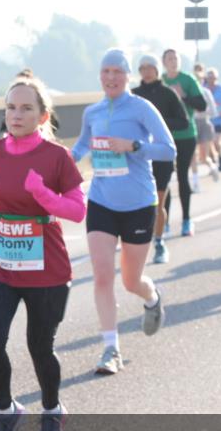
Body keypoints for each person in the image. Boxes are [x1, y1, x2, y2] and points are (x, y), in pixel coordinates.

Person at [0, 76, 84, 431]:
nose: (17, 114)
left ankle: (52, 409)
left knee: (39, 347)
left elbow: (78, 210)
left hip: (46, 267)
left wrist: (41, 193)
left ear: (42, 115)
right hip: (0, 263)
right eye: (11, 107)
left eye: (26, 108)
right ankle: (8, 410)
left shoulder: (56, 157)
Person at [71, 50, 176, 375]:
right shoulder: (93, 112)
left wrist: (133, 146)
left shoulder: (141, 108)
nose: (111, 77)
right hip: (102, 201)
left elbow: (168, 148)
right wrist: (54, 163)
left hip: (139, 204)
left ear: (127, 75)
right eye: (106, 71)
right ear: (100, 75)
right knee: (102, 275)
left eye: (117, 71)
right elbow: (80, 148)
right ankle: (110, 349)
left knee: (131, 281)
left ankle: (152, 296)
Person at [131, 54, 188, 265]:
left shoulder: (168, 94)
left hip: (161, 156)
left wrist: (159, 127)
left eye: (150, 67)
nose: (146, 71)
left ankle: (159, 242)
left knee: (158, 201)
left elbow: (183, 122)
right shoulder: (132, 96)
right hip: (137, 157)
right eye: (142, 68)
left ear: (156, 70)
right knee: (134, 203)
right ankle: (135, 241)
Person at [161, 49, 206, 236]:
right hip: (164, 136)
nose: (173, 61)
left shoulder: (188, 80)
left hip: (186, 135)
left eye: (176, 58)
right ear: (163, 62)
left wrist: (183, 95)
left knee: (182, 177)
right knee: (164, 180)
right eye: (169, 59)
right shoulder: (160, 82)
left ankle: (187, 220)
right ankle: (164, 223)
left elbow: (202, 105)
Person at [191, 71, 220, 192]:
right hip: (191, 125)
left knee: (203, 157)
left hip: (204, 123)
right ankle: (195, 182)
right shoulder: (188, 94)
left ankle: (213, 167)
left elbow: (213, 111)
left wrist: (201, 110)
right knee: (193, 156)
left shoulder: (206, 92)